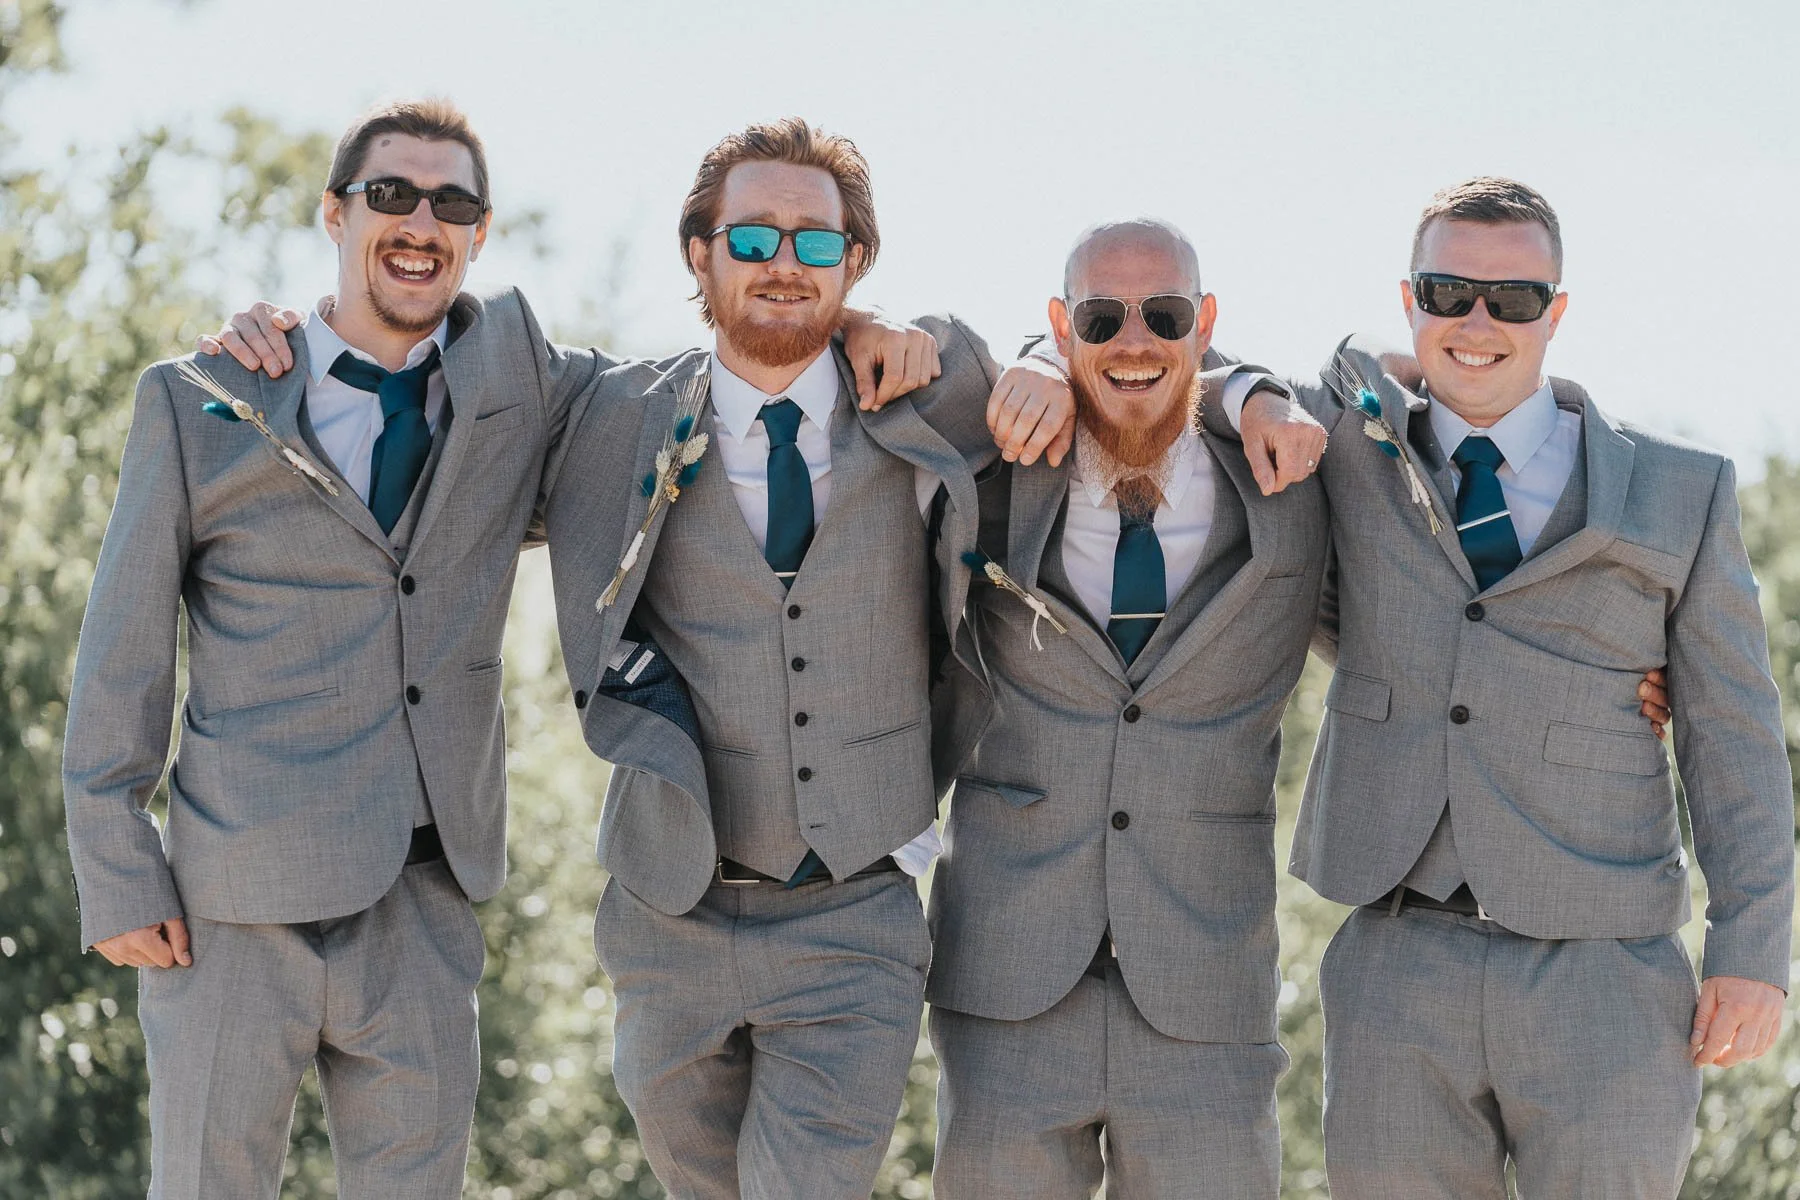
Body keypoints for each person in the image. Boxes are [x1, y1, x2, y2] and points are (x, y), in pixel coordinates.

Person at [70, 98, 932, 1199]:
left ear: (480, 235)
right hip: (232, 897)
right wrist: (113, 860)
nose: (422, 222)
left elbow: (726, 370)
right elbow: (122, 653)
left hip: (426, 895)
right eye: (392, 195)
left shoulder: (523, 386)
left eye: (454, 203)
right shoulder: (205, 400)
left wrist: (857, 324)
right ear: (334, 212)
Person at [537, 118, 1071, 1199]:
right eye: (753, 238)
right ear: (699, 254)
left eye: (817, 244)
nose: (785, 262)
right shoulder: (609, 415)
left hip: (856, 913)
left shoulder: (932, 386)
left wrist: (1053, 365)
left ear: (856, 261)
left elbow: (1111, 362)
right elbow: (433, 364)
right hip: (667, 912)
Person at [1231, 176, 1793, 1198]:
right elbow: (1185, 359)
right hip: (1397, 957)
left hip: (1607, 970)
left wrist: (1752, 946)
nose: (1478, 321)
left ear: (1558, 313)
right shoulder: (1350, 449)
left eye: (1513, 300)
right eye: (1448, 294)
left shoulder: (1678, 490)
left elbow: (1734, 733)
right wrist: (1249, 391)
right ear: (1410, 300)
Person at [924, 217, 1325, 1198]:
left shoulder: (1289, 480)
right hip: (1007, 983)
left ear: (1207, 321)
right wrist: (1023, 363)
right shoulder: (998, 459)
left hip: (1207, 993)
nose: (1134, 341)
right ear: (1062, 328)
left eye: (1166, 314)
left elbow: (1389, 386)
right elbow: (886, 358)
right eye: (1101, 319)